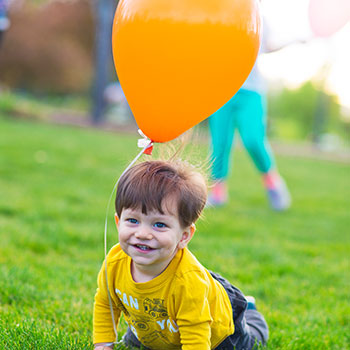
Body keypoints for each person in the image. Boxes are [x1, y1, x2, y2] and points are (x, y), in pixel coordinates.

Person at [93, 159, 269, 349]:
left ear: (184, 236)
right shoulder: (115, 261)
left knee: (251, 341)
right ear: (119, 222)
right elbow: (105, 303)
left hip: (216, 333)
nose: (142, 234)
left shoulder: (188, 283)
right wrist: (103, 345)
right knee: (135, 341)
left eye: (159, 225)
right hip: (159, 327)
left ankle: (251, 312)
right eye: (133, 221)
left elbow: (196, 338)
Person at [208, 19, 291, 211]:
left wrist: (293, 41)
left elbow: (267, 46)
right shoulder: (223, 16)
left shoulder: (260, 20)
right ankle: (218, 192)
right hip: (223, 89)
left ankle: (273, 183)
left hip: (252, 92)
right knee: (220, 142)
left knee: (254, 139)